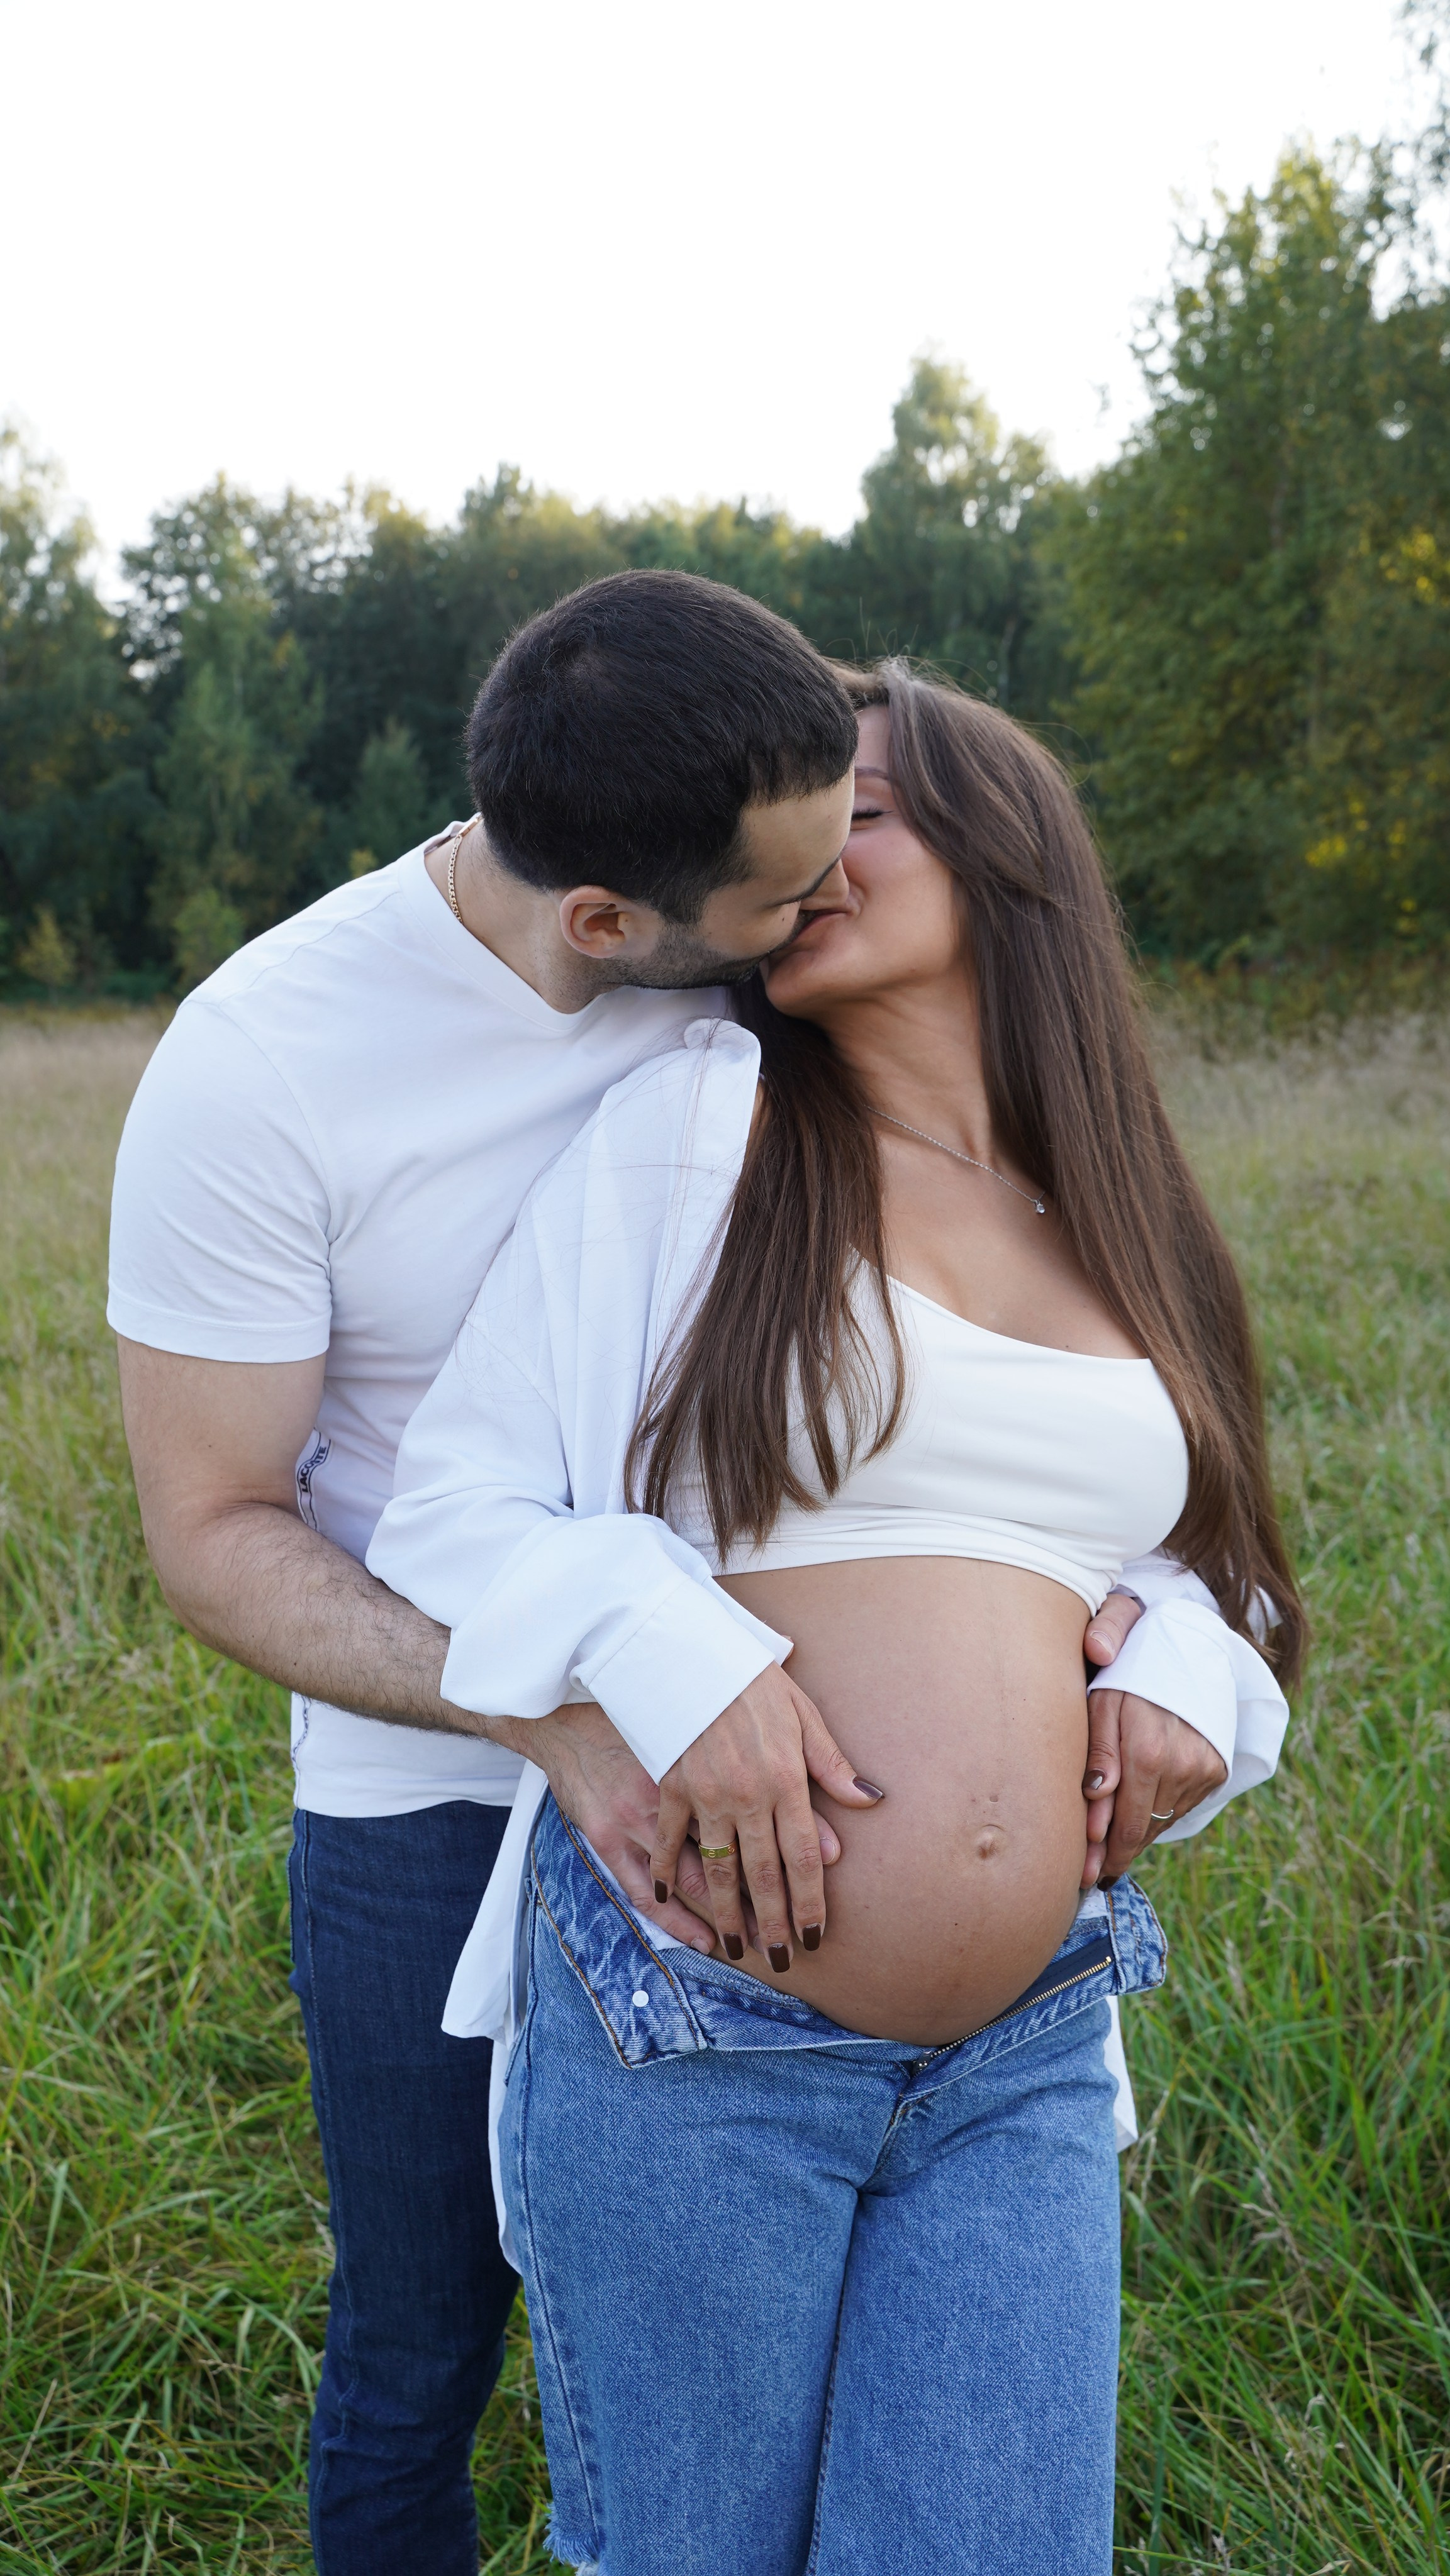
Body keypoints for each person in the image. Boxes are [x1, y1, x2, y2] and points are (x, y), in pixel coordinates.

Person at [110, 575, 1246, 2575]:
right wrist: (600, 1695)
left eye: (851, 832)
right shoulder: (317, 1060)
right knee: (422, 2337)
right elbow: (220, 1530)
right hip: (450, 1789)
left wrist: (1188, 1663)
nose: (812, 900)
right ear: (610, 927)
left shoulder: (809, 1020)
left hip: (994, 2014)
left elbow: (1165, 1535)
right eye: (790, 877)